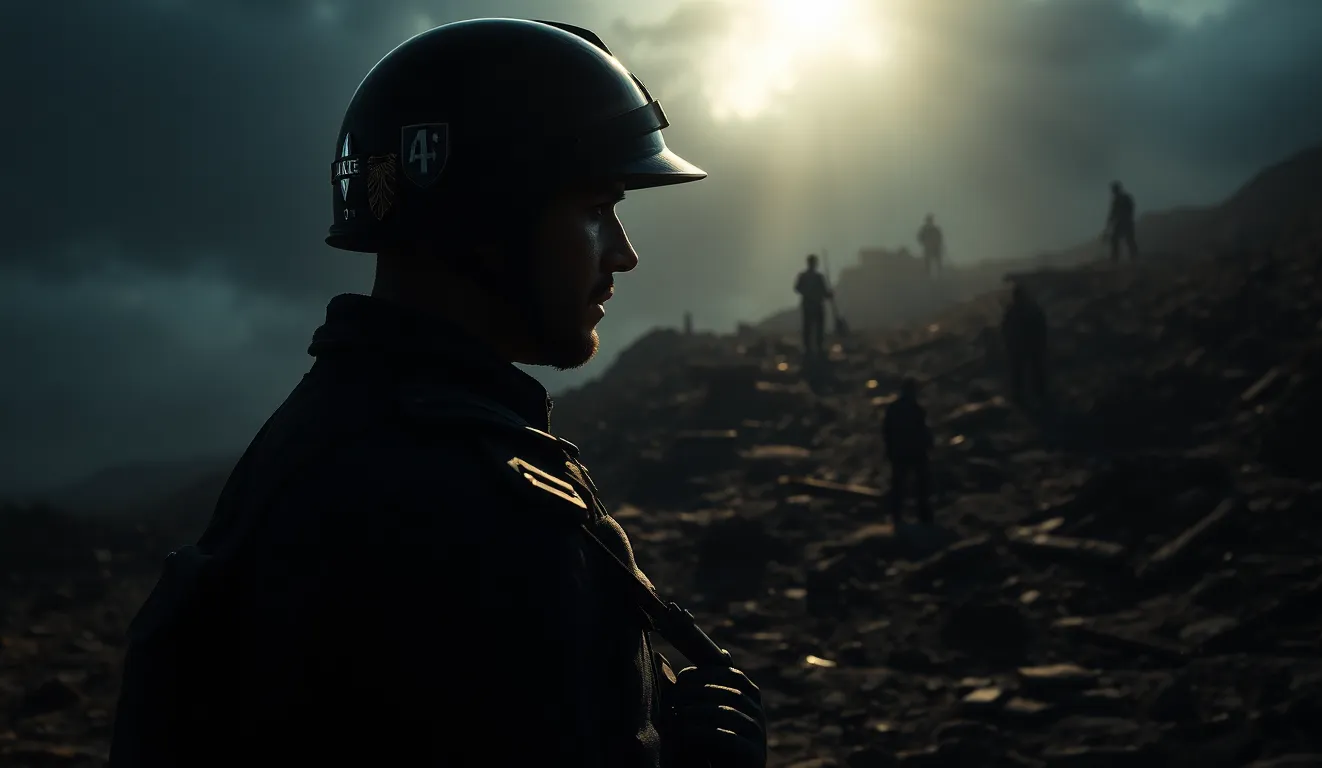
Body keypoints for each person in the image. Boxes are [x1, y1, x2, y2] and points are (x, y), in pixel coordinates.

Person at [108, 19, 766, 768]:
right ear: (485, 221)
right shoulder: (458, 504)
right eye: (594, 208)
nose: (625, 253)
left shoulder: (337, 436)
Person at [882, 378, 933, 525]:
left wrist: (889, 450)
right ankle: (923, 516)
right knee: (920, 485)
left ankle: (897, 515)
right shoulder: (916, 409)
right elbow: (923, 431)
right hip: (914, 452)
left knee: (900, 484)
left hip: (901, 452)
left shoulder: (894, 408)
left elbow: (887, 432)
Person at [1001, 283, 1049, 403]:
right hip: (1027, 346)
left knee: (1027, 373)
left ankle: (1029, 396)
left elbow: (1005, 329)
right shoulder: (1030, 308)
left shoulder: (1015, 310)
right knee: (1030, 372)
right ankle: (1033, 395)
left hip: (1025, 346)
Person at [794, 253, 832, 357]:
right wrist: (827, 294)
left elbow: (797, 288)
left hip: (810, 305)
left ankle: (812, 349)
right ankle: (813, 349)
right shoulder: (817, 277)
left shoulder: (812, 277)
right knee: (813, 328)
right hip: (813, 305)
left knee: (812, 328)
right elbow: (797, 288)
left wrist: (828, 294)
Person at [1103, 181, 1138, 262]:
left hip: (1125, 222)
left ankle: (1132, 257)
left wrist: (1125, 217)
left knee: (1128, 240)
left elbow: (1130, 209)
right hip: (1122, 222)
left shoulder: (1124, 198)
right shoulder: (1118, 200)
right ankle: (1116, 258)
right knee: (1118, 239)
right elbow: (1112, 214)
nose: (1113, 192)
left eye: (1114, 190)